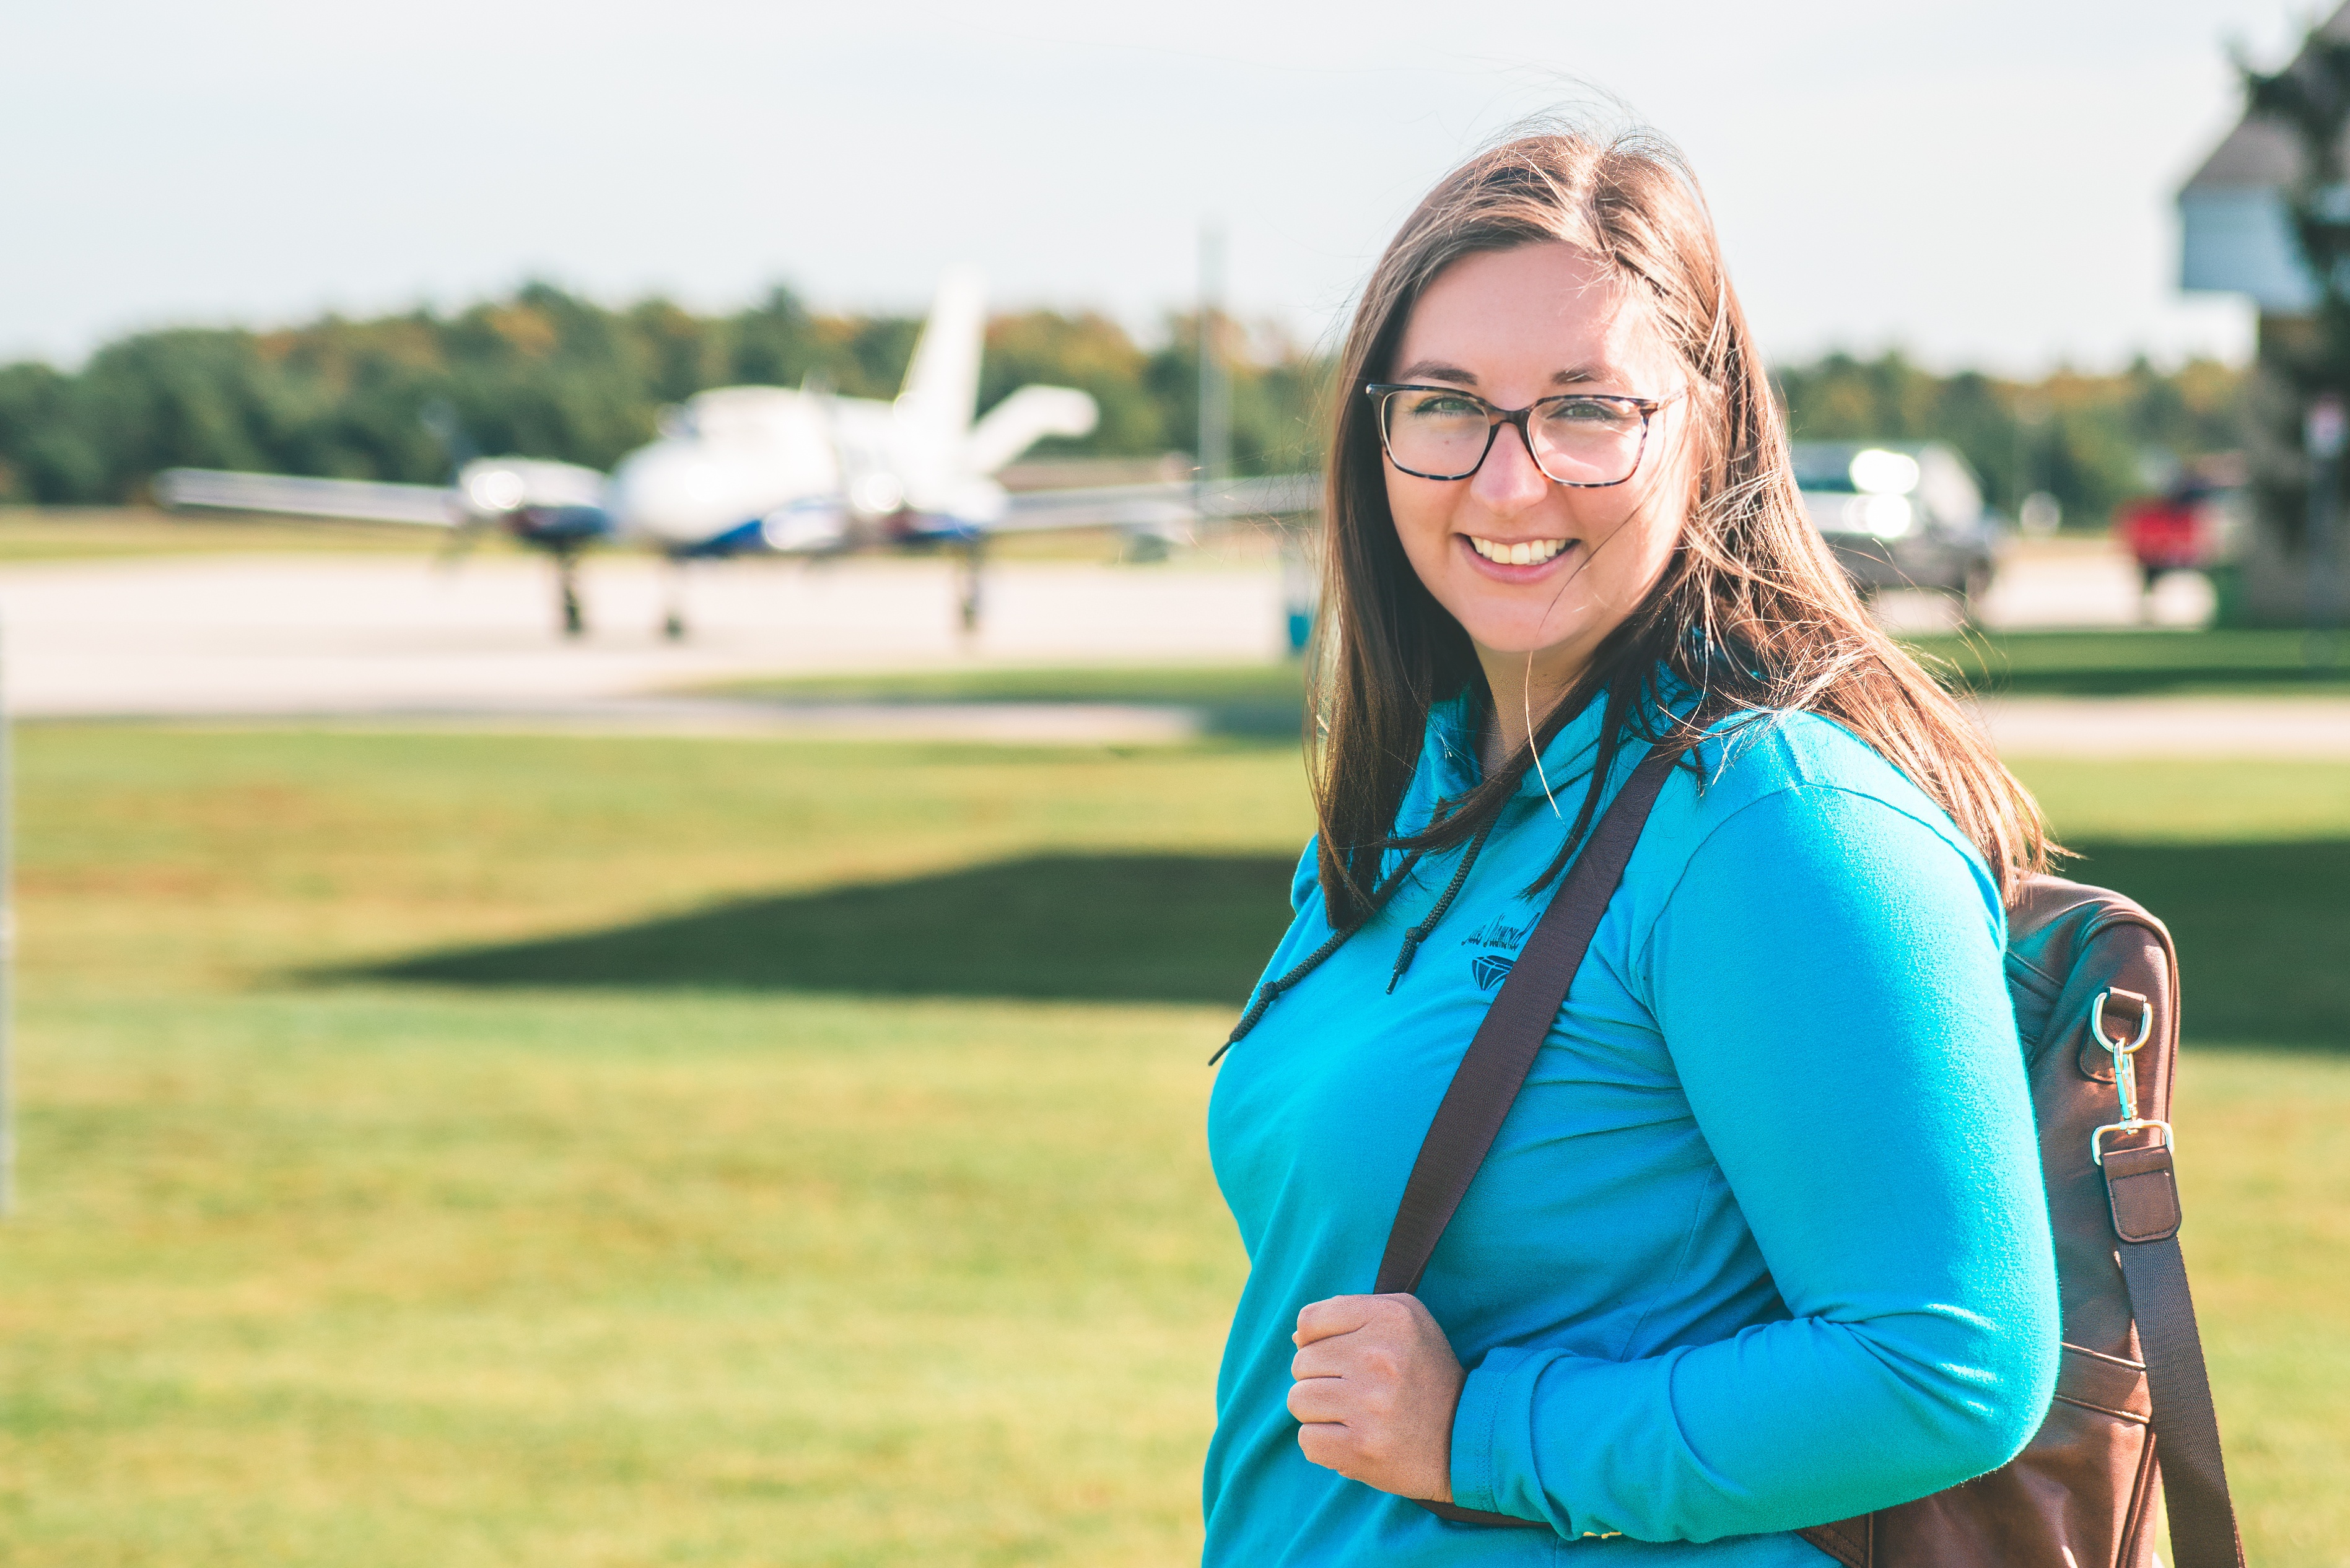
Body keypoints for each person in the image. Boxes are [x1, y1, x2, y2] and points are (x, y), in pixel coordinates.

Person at [1202, 126, 2062, 1564]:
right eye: (1446, 405)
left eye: (1586, 410)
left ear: (1708, 427)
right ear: (1377, 433)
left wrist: (1479, 1433)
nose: (1509, 480)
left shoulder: (1770, 823)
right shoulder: (1420, 795)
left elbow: (1948, 1364)